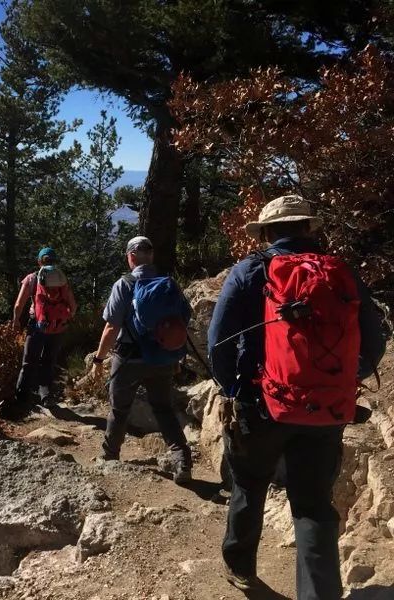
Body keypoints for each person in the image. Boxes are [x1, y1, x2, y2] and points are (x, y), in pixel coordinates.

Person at [207, 195, 387, 599]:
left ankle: (240, 567)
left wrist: (231, 388)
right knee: (313, 503)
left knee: (249, 482)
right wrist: (340, 380)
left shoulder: (250, 270)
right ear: (308, 228)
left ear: (267, 231)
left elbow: (218, 340)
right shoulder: (341, 273)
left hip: (261, 401)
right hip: (326, 408)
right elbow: (374, 342)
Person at [89, 236, 193, 484]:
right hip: (162, 358)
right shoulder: (169, 284)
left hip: (129, 359)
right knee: (164, 409)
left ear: (130, 257)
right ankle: (183, 460)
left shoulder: (124, 284)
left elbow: (111, 327)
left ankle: (110, 456)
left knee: (119, 408)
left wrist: (98, 360)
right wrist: (175, 355)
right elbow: (182, 322)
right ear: (151, 256)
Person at [0, 247, 76, 419]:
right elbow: (73, 306)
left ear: (39, 261)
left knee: (29, 362)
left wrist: (16, 320)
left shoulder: (32, 278)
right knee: (49, 361)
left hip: (37, 325)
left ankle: (21, 397)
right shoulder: (62, 278)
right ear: (54, 260)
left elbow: (19, 304)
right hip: (58, 326)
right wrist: (63, 319)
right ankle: (46, 396)